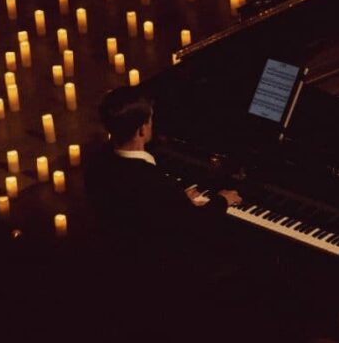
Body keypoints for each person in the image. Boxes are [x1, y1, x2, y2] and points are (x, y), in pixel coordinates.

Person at [85, 86, 242, 255]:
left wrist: (178, 202)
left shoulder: (97, 163)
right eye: (150, 119)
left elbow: (147, 211)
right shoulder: (155, 182)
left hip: (120, 249)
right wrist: (222, 200)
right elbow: (195, 228)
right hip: (159, 261)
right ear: (142, 130)